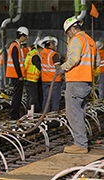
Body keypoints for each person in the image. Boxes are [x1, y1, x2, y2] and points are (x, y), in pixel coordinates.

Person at [56, 17, 100, 154]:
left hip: (76, 81)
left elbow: (74, 59)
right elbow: (97, 62)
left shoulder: (77, 39)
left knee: (73, 113)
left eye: (68, 33)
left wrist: (62, 68)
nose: (68, 36)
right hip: (86, 82)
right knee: (79, 112)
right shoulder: (91, 41)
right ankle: (81, 141)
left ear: (72, 29)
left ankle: (80, 144)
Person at [6, 26, 28, 120]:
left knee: (18, 95)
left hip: (15, 74)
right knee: (17, 96)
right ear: (22, 36)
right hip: (15, 75)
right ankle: (14, 114)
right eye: (25, 36)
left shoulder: (17, 45)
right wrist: (20, 75)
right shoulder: (15, 46)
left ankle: (15, 113)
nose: (26, 38)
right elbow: (16, 62)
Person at [41, 36, 62, 112]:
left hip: (44, 80)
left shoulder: (42, 53)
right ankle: (54, 116)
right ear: (50, 43)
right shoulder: (54, 54)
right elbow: (58, 68)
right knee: (55, 99)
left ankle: (45, 115)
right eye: (53, 43)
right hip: (54, 80)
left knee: (46, 99)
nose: (54, 45)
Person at [24, 39, 44, 114]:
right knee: (34, 98)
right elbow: (40, 67)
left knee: (29, 97)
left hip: (28, 79)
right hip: (31, 80)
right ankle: (30, 114)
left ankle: (28, 113)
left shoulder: (31, 53)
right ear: (41, 48)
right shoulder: (35, 56)